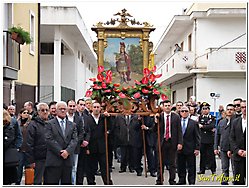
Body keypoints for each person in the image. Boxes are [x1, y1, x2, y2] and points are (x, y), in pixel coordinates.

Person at [44, 101, 78, 185]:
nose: (63, 111)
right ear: (56, 110)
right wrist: (60, 151)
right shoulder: (49, 124)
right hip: (54, 160)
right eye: (60, 109)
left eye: (64, 109)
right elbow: (49, 139)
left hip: (67, 160)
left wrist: (67, 151)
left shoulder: (72, 125)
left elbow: (74, 140)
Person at [85, 101, 113, 185]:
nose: (96, 109)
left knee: (105, 167)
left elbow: (111, 127)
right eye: (95, 107)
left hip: (102, 147)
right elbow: (85, 133)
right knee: (91, 168)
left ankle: (107, 183)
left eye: (98, 107)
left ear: (100, 108)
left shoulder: (104, 118)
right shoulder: (87, 119)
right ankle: (91, 183)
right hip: (91, 147)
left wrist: (108, 118)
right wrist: (86, 148)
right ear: (91, 108)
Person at [155, 100, 183, 185]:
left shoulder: (176, 117)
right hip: (162, 142)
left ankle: (172, 180)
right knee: (160, 163)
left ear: (171, 107)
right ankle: (159, 180)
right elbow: (154, 130)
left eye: (168, 105)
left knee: (172, 163)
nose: (167, 107)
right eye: (165, 105)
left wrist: (180, 143)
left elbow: (179, 130)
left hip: (172, 142)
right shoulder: (159, 116)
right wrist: (155, 122)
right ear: (162, 107)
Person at [26, 103, 49, 184]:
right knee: (38, 181)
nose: (45, 112)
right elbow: (29, 144)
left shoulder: (50, 123)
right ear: (38, 112)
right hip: (38, 158)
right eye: (42, 110)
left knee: (49, 181)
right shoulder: (33, 125)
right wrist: (31, 161)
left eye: (47, 110)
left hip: (50, 157)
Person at [177, 106, 200, 185]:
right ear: (180, 112)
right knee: (180, 166)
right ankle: (181, 180)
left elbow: (197, 136)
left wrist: (197, 148)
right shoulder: (177, 122)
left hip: (190, 148)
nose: (184, 112)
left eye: (186, 111)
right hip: (179, 148)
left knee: (191, 166)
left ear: (189, 112)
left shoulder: (193, 123)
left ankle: (191, 182)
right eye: (182, 111)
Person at [214, 104, 235, 185]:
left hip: (233, 149)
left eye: (231, 109)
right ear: (226, 111)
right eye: (228, 109)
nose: (229, 111)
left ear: (234, 111)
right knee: (224, 167)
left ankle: (237, 182)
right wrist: (215, 147)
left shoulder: (237, 121)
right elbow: (217, 135)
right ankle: (224, 182)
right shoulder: (221, 122)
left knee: (235, 168)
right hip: (223, 148)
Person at [66, 100, 84, 185]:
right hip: (64, 148)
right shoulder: (63, 117)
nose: (72, 108)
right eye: (70, 106)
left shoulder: (78, 118)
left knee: (74, 168)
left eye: (73, 106)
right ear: (67, 106)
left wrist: (75, 142)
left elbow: (81, 133)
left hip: (75, 148)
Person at [230, 100, 246, 185]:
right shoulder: (235, 122)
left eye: (246, 107)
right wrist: (237, 150)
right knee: (238, 181)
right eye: (242, 107)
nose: (244, 109)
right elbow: (232, 138)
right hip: (238, 156)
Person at [197, 102, 216, 175]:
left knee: (211, 155)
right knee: (203, 155)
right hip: (202, 139)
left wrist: (203, 126)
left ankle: (213, 169)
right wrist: (206, 127)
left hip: (210, 139)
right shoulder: (199, 118)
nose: (205, 110)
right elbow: (198, 126)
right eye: (204, 109)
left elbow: (212, 126)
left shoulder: (212, 117)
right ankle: (202, 169)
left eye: (207, 109)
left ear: (209, 110)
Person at [16, 108, 32, 185]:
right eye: (24, 112)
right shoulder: (17, 123)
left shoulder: (31, 123)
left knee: (28, 168)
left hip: (28, 149)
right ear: (21, 114)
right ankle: (17, 183)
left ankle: (28, 183)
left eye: (27, 113)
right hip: (20, 149)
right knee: (19, 167)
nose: (26, 114)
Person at [3, 109, 19, 185]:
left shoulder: (10, 127)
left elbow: (17, 137)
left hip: (8, 157)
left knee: (7, 181)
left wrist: (15, 148)